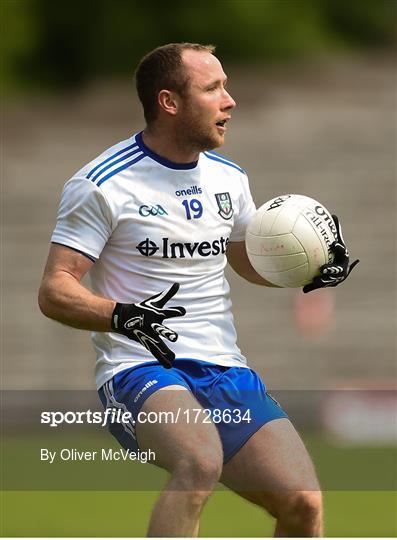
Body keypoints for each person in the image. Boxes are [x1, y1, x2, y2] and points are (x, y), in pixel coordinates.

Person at [39, 43, 358, 537]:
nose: (229, 100)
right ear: (169, 102)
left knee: (304, 505)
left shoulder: (229, 178)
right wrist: (124, 316)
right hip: (138, 369)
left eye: (225, 86)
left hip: (224, 369)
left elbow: (247, 261)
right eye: (212, 89)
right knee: (199, 463)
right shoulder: (102, 184)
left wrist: (307, 270)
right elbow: (55, 290)